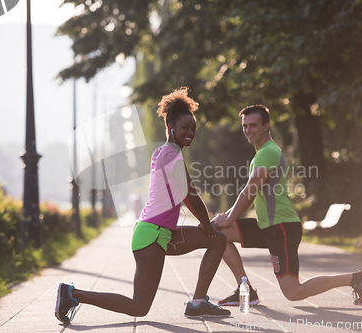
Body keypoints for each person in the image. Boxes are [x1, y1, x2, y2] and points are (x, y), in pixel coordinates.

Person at [55, 87, 231, 324]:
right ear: (170, 127)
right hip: (151, 236)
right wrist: (207, 225)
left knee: (218, 240)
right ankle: (72, 294)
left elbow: (187, 196)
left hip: (163, 234)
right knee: (139, 307)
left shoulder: (164, 152)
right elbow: (191, 197)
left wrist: (209, 228)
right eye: (185, 128)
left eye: (193, 128)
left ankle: (198, 304)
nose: (190, 132)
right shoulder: (170, 155)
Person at [213, 104, 362, 307]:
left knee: (293, 292)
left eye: (253, 125)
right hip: (268, 226)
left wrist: (228, 217)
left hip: (282, 227)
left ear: (266, 126)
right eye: (245, 126)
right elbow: (250, 194)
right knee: (221, 233)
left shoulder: (267, 152)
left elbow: (250, 192)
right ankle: (245, 290)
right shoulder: (262, 153)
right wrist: (225, 218)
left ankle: (355, 278)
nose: (248, 130)